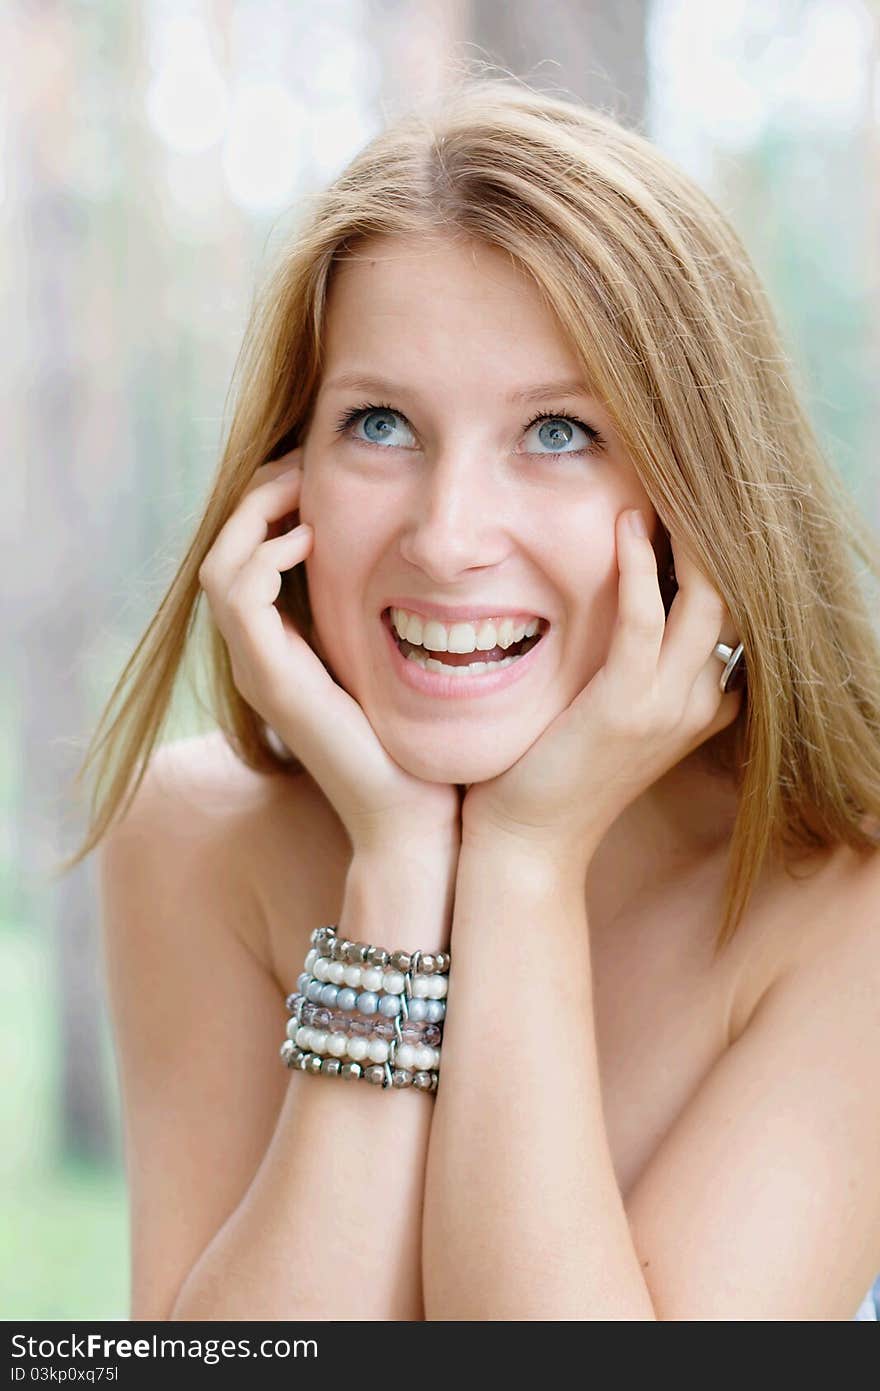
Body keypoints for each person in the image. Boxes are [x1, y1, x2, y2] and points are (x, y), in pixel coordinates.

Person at [61, 75, 880, 1321]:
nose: (447, 539)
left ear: (700, 498)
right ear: (286, 487)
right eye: (379, 422)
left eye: (557, 433)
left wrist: (524, 863)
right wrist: (394, 875)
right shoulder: (192, 839)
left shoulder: (848, 900)